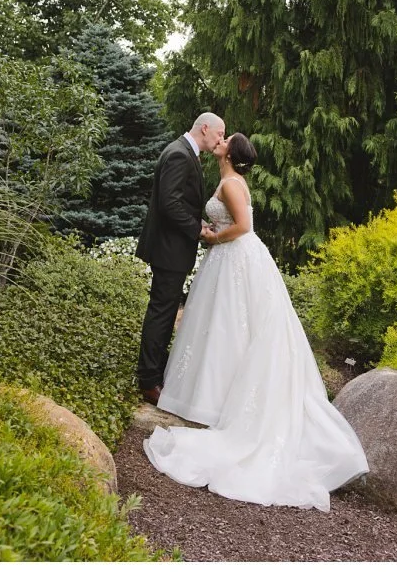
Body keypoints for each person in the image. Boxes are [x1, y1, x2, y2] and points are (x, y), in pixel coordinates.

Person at [144, 133, 368, 511]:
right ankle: (211, 391)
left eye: (226, 139)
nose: (221, 139)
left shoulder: (232, 183)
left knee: (233, 326)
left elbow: (243, 227)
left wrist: (211, 238)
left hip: (236, 256)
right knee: (224, 327)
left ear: (230, 152)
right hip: (230, 260)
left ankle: (218, 399)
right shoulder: (228, 178)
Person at [135, 112, 225, 405]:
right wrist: (196, 230)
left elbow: (181, 201)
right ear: (205, 127)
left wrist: (197, 222)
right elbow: (169, 203)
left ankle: (156, 372)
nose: (220, 141)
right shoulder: (178, 154)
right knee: (161, 312)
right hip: (169, 249)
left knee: (165, 310)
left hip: (171, 248)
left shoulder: (186, 152)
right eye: (219, 135)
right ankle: (149, 381)